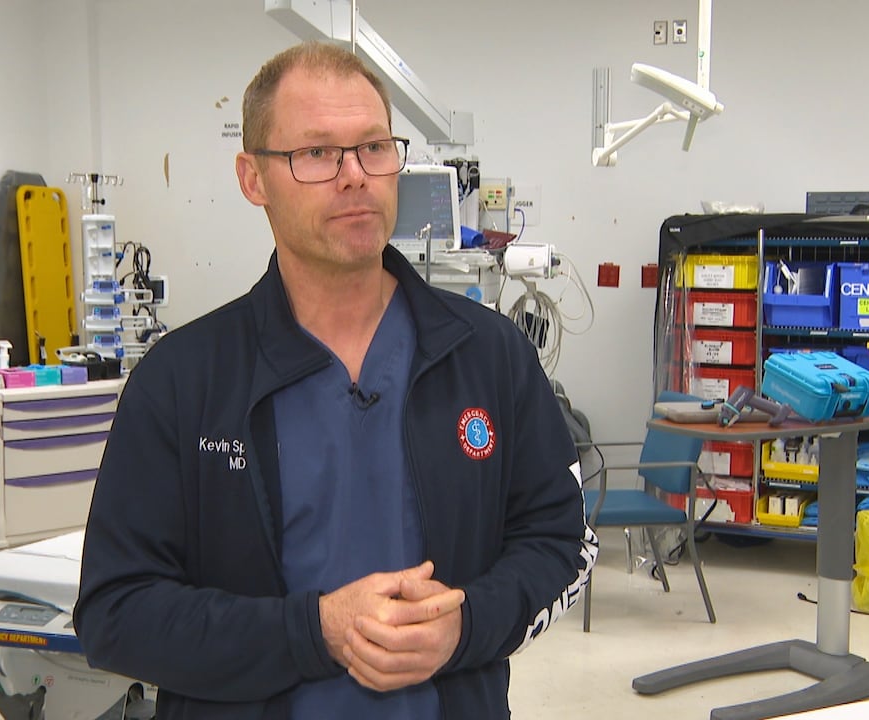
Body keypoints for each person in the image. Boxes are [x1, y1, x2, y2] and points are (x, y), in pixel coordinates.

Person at [74, 41, 598, 719]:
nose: (355, 176)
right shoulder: (184, 382)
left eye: (374, 147)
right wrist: (315, 630)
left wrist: (465, 628)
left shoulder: (490, 356)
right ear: (252, 177)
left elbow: (559, 543)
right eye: (316, 153)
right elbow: (116, 613)